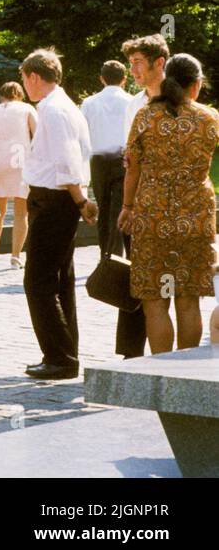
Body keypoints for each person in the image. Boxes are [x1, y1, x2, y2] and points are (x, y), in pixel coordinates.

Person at [119, 54, 219, 355]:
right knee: (189, 303)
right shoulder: (209, 118)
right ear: (196, 85)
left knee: (157, 303)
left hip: (153, 217)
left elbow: (132, 168)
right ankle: (184, 378)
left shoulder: (146, 117)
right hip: (196, 217)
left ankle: (161, 375)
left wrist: (127, 207)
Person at [18, 48, 95, 380]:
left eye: (24, 78)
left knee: (38, 281)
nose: (23, 85)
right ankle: (64, 353)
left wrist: (79, 200)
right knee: (59, 280)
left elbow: (67, 161)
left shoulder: (53, 110)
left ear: (34, 76)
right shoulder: (62, 106)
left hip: (55, 201)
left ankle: (60, 357)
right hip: (58, 199)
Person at [115, 34, 170, 359]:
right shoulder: (134, 104)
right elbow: (130, 160)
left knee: (169, 287)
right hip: (139, 201)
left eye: (138, 62)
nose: (132, 69)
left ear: (158, 63)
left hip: (169, 205)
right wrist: (128, 204)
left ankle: (172, 360)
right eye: (130, 63)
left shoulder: (178, 101)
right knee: (137, 278)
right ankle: (131, 354)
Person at [81, 61, 133, 259]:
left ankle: (106, 252)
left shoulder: (89, 103)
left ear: (101, 78)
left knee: (103, 209)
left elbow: (83, 134)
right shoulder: (131, 101)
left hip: (99, 160)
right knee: (122, 207)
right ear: (124, 78)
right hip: (124, 159)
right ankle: (122, 252)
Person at [0, 83, 36, 266]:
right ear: (20, 95)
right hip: (20, 160)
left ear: (1, 95)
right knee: (21, 212)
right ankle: (15, 256)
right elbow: (37, 133)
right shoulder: (26, 109)